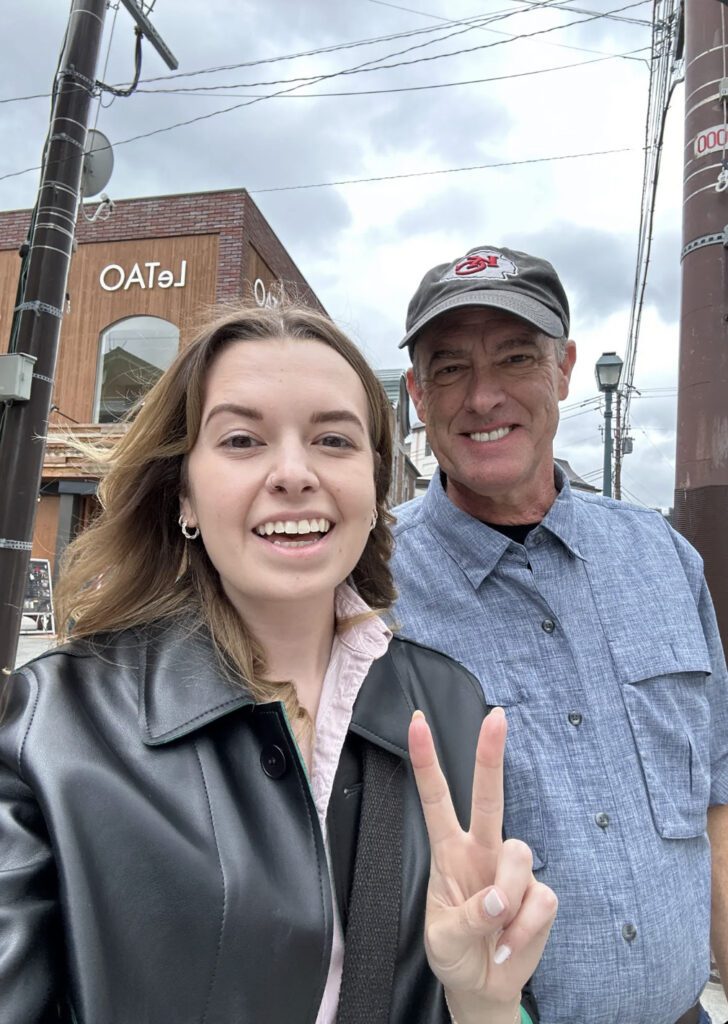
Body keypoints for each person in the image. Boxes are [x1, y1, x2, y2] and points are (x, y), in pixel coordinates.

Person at [0, 304, 557, 1024]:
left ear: (375, 486)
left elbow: (497, 993)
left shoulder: (449, 707)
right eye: (241, 439)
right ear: (184, 493)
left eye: (333, 439)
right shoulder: (53, 725)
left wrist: (485, 1000)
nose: (294, 474)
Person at [390, 246, 728, 1024]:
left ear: (566, 370)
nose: (483, 396)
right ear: (416, 392)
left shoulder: (665, 559)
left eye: (516, 358)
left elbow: (716, 798)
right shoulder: (365, 588)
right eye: (448, 370)